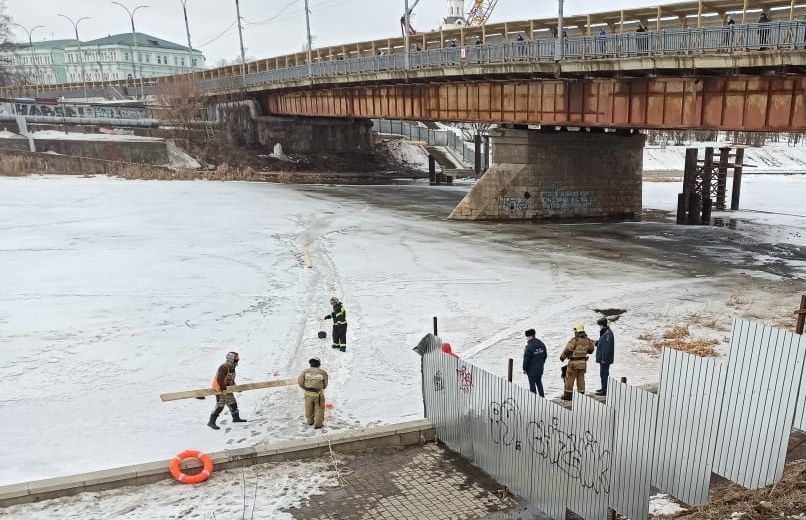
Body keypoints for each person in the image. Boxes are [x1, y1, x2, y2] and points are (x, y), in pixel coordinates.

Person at [208, 351, 247, 430]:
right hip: (219, 388)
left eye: (237, 360)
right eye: (235, 360)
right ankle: (211, 422)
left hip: (226, 388)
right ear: (231, 359)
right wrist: (223, 389)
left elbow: (231, 380)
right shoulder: (224, 367)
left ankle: (236, 418)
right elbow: (219, 379)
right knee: (220, 405)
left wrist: (235, 388)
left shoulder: (232, 368)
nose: (237, 361)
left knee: (233, 403)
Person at [559, 323, 595, 400]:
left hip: (573, 364)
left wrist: (562, 357)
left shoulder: (574, 340)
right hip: (583, 363)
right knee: (581, 379)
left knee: (569, 379)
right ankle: (581, 396)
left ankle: (568, 396)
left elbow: (568, 350)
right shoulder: (588, 340)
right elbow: (591, 350)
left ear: (576, 331)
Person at [298, 357, 329, 429]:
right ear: (319, 364)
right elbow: (325, 384)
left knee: (308, 408)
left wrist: (306, 388)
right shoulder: (322, 372)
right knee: (319, 409)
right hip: (318, 395)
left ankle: (310, 421)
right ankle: (318, 424)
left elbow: (300, 382)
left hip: (308, 394)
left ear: (310, 364)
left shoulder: (305, 371)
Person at [522, 329, 547, 397]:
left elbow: (526, 359)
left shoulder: (528, 347)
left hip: (531, 370)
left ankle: (534, 400)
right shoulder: (541, 344)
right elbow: (545, 355)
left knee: (532, 385)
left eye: (527, 336)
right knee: (539, 383)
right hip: (540, 368)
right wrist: (541, 363)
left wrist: (524, 368)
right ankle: (542, 397)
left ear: (529, 336)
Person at [594, 318, 615, 396]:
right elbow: (603, 343)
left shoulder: (607, 334)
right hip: (604, 359)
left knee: (604, 374)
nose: (599, 327)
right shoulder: (605, 333)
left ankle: (605, 390)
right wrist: (597, 342)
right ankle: (603, 388)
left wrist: (603, 359)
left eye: (599, 325)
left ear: (602, 325)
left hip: (605, 360)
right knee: (603, 374)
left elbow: (606, 347)